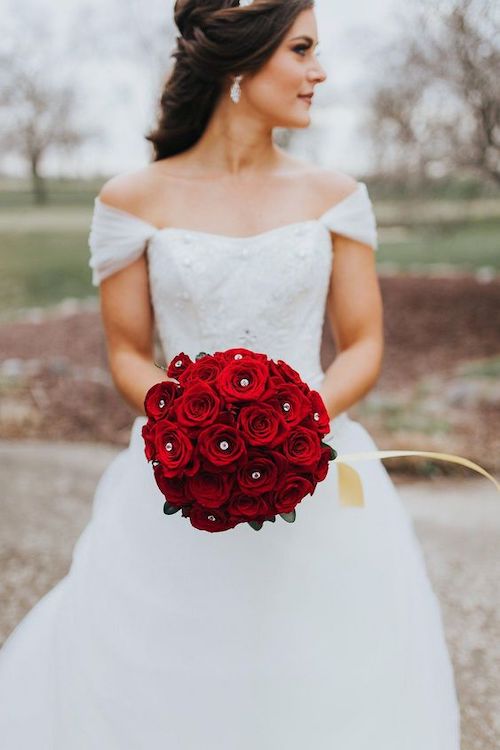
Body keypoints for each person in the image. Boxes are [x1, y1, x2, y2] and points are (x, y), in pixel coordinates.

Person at [0, 1, 461, 747]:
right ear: (243, 63)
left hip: (318, 479)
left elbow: (365, 344)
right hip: (180, 480)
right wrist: (189, 416)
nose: (320, 72)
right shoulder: (131, 201)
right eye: (303, 50)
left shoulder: (336, 198)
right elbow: (125, 352)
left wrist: (294, 426)